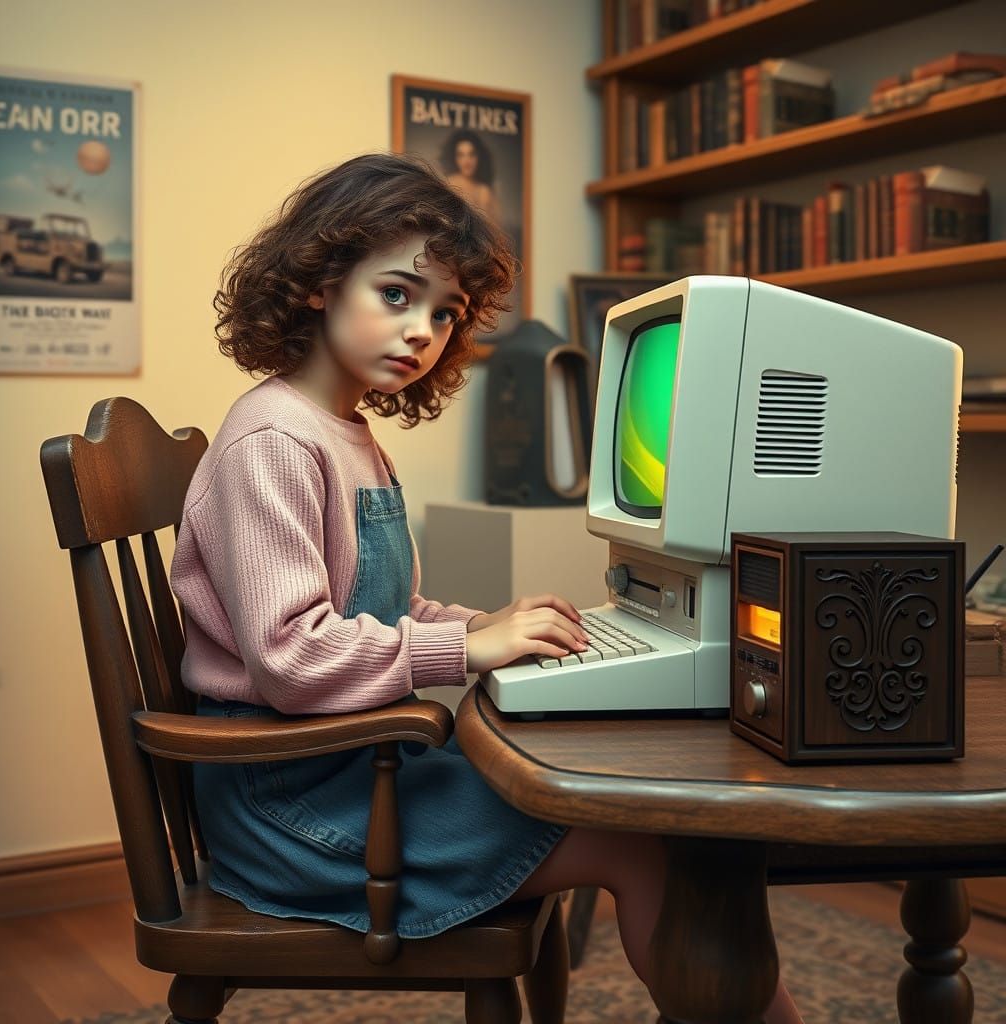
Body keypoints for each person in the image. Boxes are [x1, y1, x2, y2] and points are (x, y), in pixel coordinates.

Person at [170, 151, 802, 1023]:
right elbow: (289, 657)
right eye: (397, 294)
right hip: (293, 809)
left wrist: (488, 622)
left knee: (638, 810)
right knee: (644, 841)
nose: (422, 330)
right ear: (319, 280)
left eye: (443, 312)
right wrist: (464, 647)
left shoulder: (345, 432)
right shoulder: (273, 441)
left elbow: (380, 614)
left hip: (350, 770)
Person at [438, 128, 500, 222]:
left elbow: (494, 228)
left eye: (472, 154)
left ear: (479, 157)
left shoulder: (485, 190)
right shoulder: (448, 184)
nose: (467, 161)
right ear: (454, 158)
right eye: (461, 155)